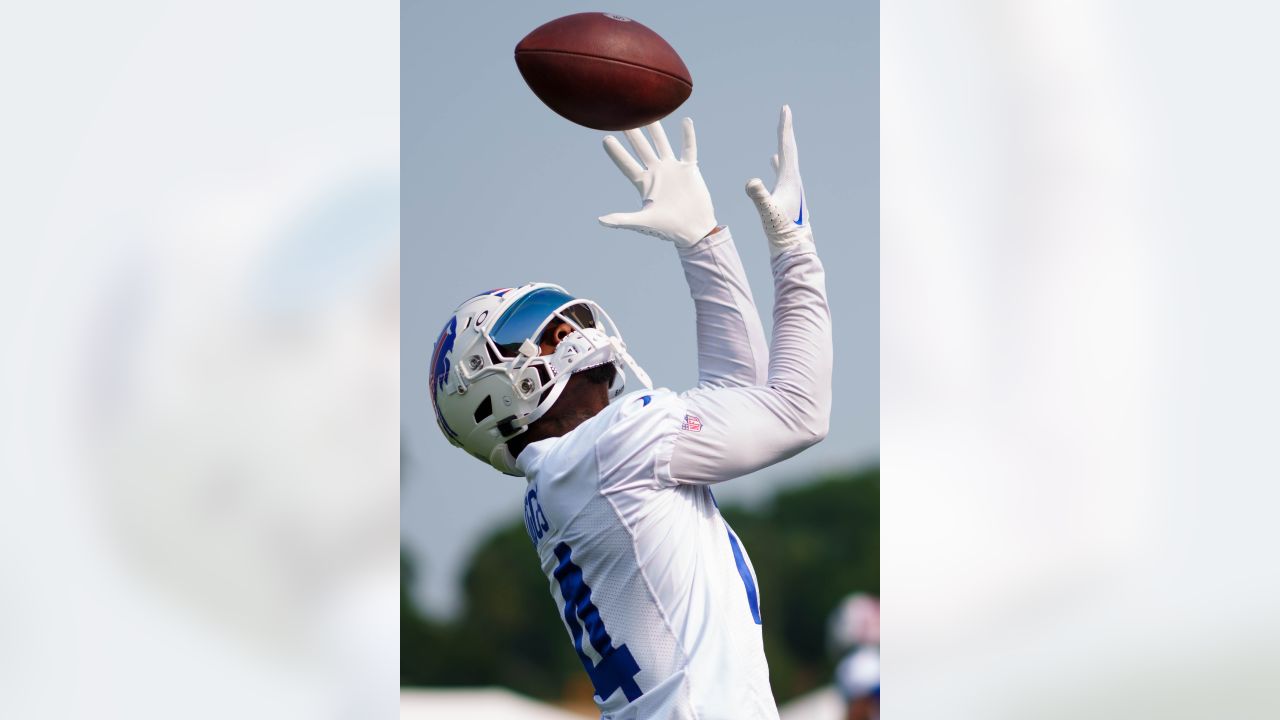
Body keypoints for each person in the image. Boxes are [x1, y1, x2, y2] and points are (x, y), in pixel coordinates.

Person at [429, 106, 832, 719]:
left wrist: (703, 242)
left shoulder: (578, 468)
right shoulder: (612, 446)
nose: (566, 328)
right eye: (531, 335)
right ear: (499, 397)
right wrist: (794, 248)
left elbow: (737, 398)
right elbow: (799, 411)